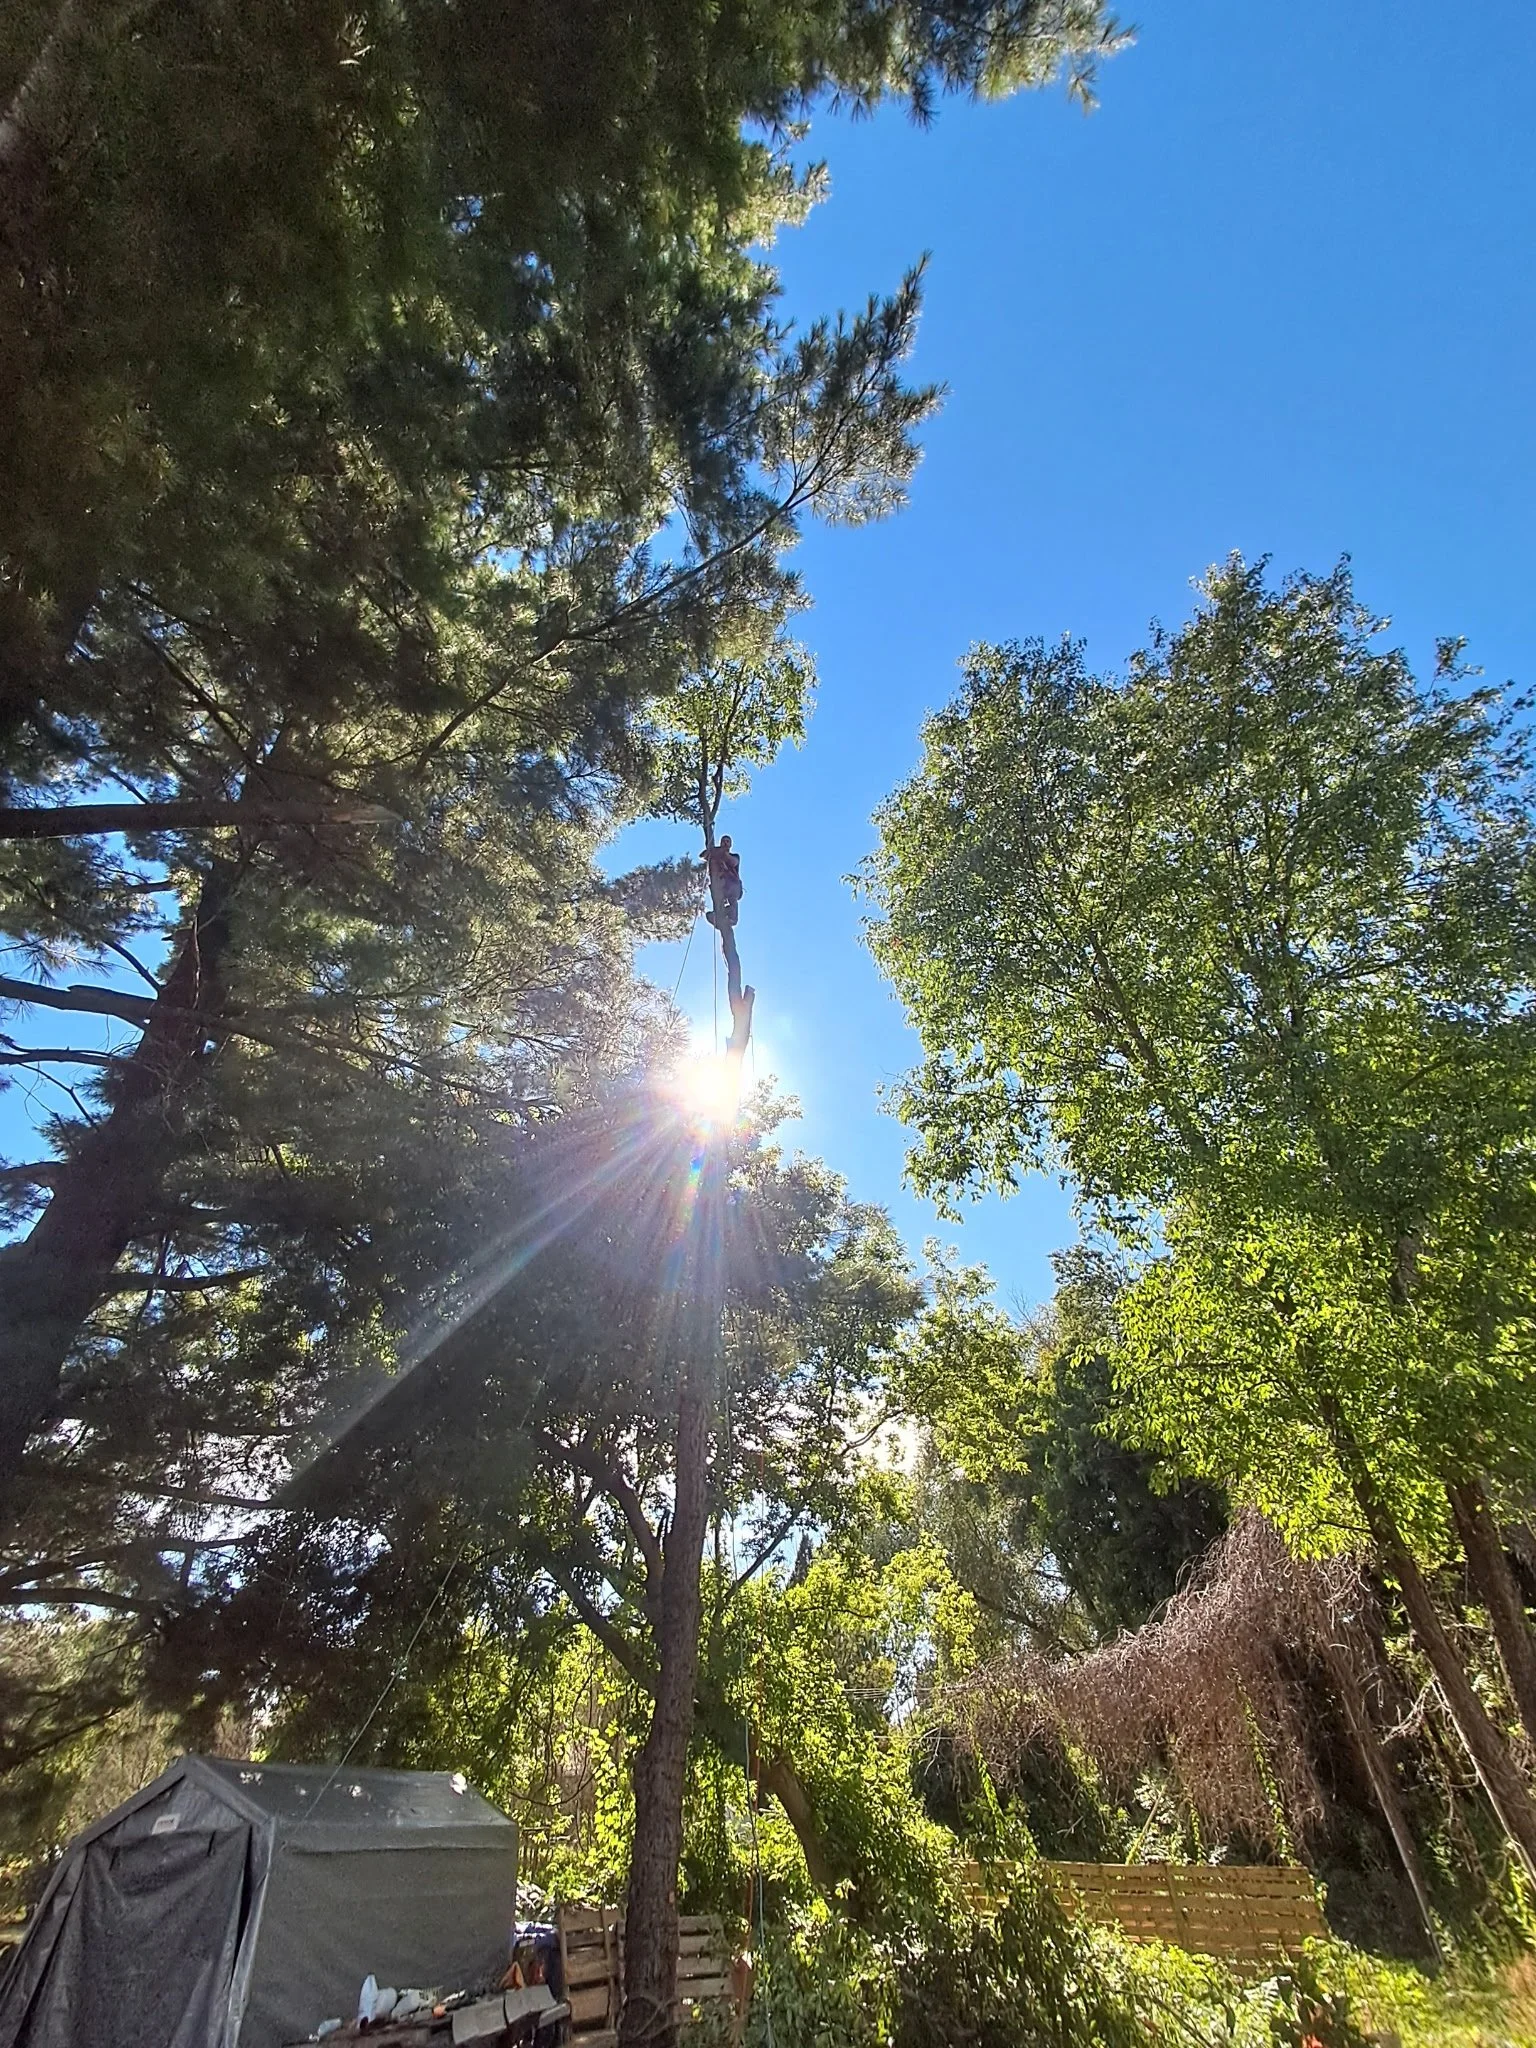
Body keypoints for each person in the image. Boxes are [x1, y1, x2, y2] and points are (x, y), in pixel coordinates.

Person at [704, 834, 743, 925]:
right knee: (718, 899)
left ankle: (733, 919)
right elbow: (703, 856)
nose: (725, 843)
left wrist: (721, 851)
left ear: (730, 845)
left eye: (727, 841)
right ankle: (719, 914)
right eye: (723, 841)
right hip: (720, 884)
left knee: (732, 899)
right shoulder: (716, 855)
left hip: (732, 884)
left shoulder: (735, 856)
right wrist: (712, 851)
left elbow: (733, 862)